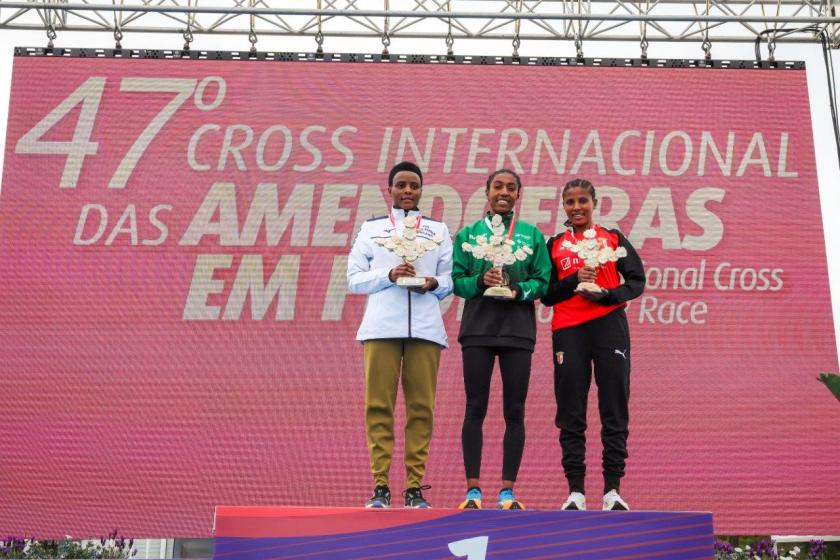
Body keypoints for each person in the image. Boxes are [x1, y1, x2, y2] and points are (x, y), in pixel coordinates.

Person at [347, 161, 453, 509]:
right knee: (378, 406)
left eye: (414, 186)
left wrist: (433, 284)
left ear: (422, 191)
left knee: (422, 409)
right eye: (401, 185)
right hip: (381, 326)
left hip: (425, 328)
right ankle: (380, 485)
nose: (408, 191)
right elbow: (353, 278)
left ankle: (414, 487)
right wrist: (389, 274)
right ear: (390, 189)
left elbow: (450, 279)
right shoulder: (372, 229)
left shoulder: (438, 230)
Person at [541, 178, 645, 511]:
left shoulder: (612, 238)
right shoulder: (555, 244)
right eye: (569, 202)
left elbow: (637, 280)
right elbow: (546, 294)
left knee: (614, 405)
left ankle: (613, 490)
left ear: (594, 202)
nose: (576, 207)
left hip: (609, 326)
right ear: (563, 207)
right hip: (568, 329)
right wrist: (574, 281)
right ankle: (576, 492)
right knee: (571, 409)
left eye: (582, 201)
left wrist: (608, 297)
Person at [452, 169, 551, 510]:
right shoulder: (468, 234)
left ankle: (507, 492)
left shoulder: (530, 235)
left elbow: (543, 281)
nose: (504, 192)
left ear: (519, 194)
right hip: (477, 330)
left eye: (511, 187)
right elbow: (456, 280)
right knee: (474, 408)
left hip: (517, 332)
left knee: (515, 410)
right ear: (487, 191)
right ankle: (473, 491)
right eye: (498, 186)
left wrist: (518, 290)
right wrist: (481, 281)